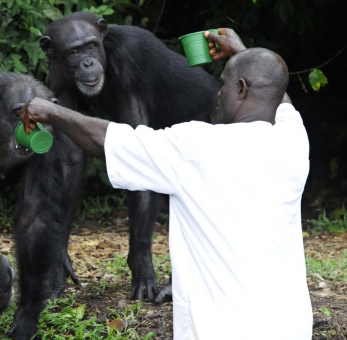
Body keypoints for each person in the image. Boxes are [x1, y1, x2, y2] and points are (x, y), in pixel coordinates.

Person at [19, 29, 312, 340]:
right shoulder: (293, 139)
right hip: (291, 327)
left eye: (224, 83)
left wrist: (49, 111)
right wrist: (242, 53)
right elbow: (280, 98)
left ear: (240, 89)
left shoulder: (196, 148)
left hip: (223, 329)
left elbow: (104, 138)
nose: (217, 92)